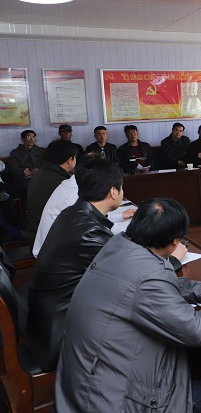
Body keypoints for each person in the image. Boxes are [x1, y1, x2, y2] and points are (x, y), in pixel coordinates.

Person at [54, 198, 201, 412]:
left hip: (88, 385)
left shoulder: (117, 247)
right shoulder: (149, 276)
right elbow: (195, 330)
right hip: (114, 401)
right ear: (175, 242)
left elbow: (139, 289)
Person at [26, 158, 124, 371]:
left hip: (43, 324)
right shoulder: (88, 232)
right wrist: (171, 257)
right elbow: (129, 276)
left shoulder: (72, 213)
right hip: (59, 335)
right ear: (113, 192)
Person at [32, 153, 136, 257]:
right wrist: (137, 224)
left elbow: (94, 218)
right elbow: (102, 234)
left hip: (55, 253)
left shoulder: (76, 190)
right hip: (53, 255)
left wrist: (120, 216)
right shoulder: (74, 195)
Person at [26, 139, 77, 242]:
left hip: (35, 231)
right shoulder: (62, 183)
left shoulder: (43, 172)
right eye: (75, 157)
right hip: (47, 238)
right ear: (69, 160)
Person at [7, 129, 45, 198]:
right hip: (23, 179)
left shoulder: (42, 151)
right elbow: (13, 169)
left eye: (33, 137)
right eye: (28, 137)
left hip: (39, 176)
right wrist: (24, 171)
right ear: (22, 139)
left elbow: (47, 165)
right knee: (28, 186)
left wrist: (39, 170)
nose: (32, 139)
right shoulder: (15, 153)